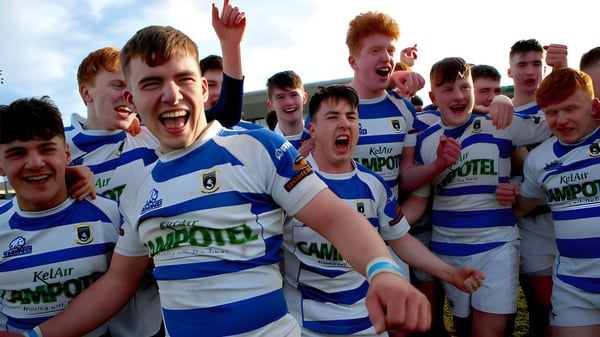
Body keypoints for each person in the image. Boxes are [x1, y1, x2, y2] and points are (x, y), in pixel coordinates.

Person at [2, 22, 443, 337]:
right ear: (132, 98)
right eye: (152, 83)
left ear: (202, 88)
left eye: (183, 79)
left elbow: (337, 218)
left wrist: (382, 270)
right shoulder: (139, 187)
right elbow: (116, 284)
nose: (171, 94)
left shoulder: (255, 146)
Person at [64, 2, 246, 336]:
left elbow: (225, 116)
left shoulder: (150, 135)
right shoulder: (58, 150)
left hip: (155, 297)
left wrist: (230, 47)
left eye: (130, 86)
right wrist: (62, 177)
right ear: (85, 92)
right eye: (117, 85)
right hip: (87, 299)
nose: (127, 94)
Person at [282, 84, 485, 337]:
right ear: (312, 129)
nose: (344, 124)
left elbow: (400, 240)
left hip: (366, 322)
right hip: (304, 325)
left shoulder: (374, 184)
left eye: (351, 117)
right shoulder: (287, 182)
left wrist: (451, 273)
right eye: (333, 117)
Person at [408, 57, 552, 337]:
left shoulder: (499, 123)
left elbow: (556, 122)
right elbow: (417, 198)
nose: (459, 96)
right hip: (447, 247)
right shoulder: (425, 139)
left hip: (496, 244)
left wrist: (503, 100)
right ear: (432, 97)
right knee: (463, 327)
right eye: (448, 89)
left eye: (465, 87)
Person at [0, 96, 121, 336]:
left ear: (66, 154)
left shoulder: (112, 215)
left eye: (47, 149)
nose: (35, 163)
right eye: (17, 154)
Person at [496, 67, 600, 337]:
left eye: (570, 109)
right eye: (552, 113)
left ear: (594, 106)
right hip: (573, 289)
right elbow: (524, 205)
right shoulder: (538, 160)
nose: (561, 120)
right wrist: (508, 198)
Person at [507, 38, 567, 337]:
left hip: (569, 219)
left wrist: (564, 69)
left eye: (536, 64)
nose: (530, 71)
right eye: (522, 64)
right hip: (530, 222)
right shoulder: (502, 116)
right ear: (510, 71)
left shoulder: (560, 108)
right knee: (546, 307)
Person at [266, 70, 311, 150]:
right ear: (271, 104)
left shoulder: (319, 139)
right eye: (281, 97)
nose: (289, 102)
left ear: (304, 98)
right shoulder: (266, 145)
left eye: (294, 95)